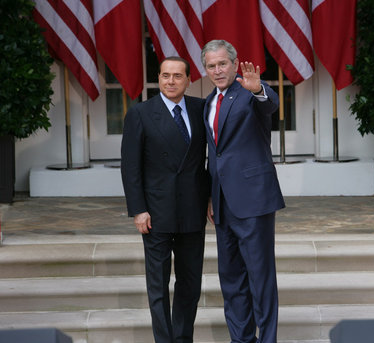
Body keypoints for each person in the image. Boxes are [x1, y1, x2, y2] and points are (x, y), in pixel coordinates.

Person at [201, 40, 285, 343]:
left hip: (254, 201)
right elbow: (216, 155)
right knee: (232, 281)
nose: (218, 70)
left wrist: (258, 89)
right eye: (211, 66)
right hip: (222, 205)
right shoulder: (209, 102)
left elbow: (270, 104)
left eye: (222, 63)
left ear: (234, 64)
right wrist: (211, 195)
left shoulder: (249, 93)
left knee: (260, 279)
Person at [121, 56, 209, 343]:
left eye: (177, 76)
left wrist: (210, 199)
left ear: (188, 80)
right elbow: (131, 167)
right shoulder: (141, 114)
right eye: (165, 75)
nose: (171, 81)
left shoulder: (200, 109)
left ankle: (183, 339)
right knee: (158, 286)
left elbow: (207, 162)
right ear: (158, 78)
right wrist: (138, 210)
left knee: (190, 284)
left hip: (193, 211)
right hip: (156, 214)